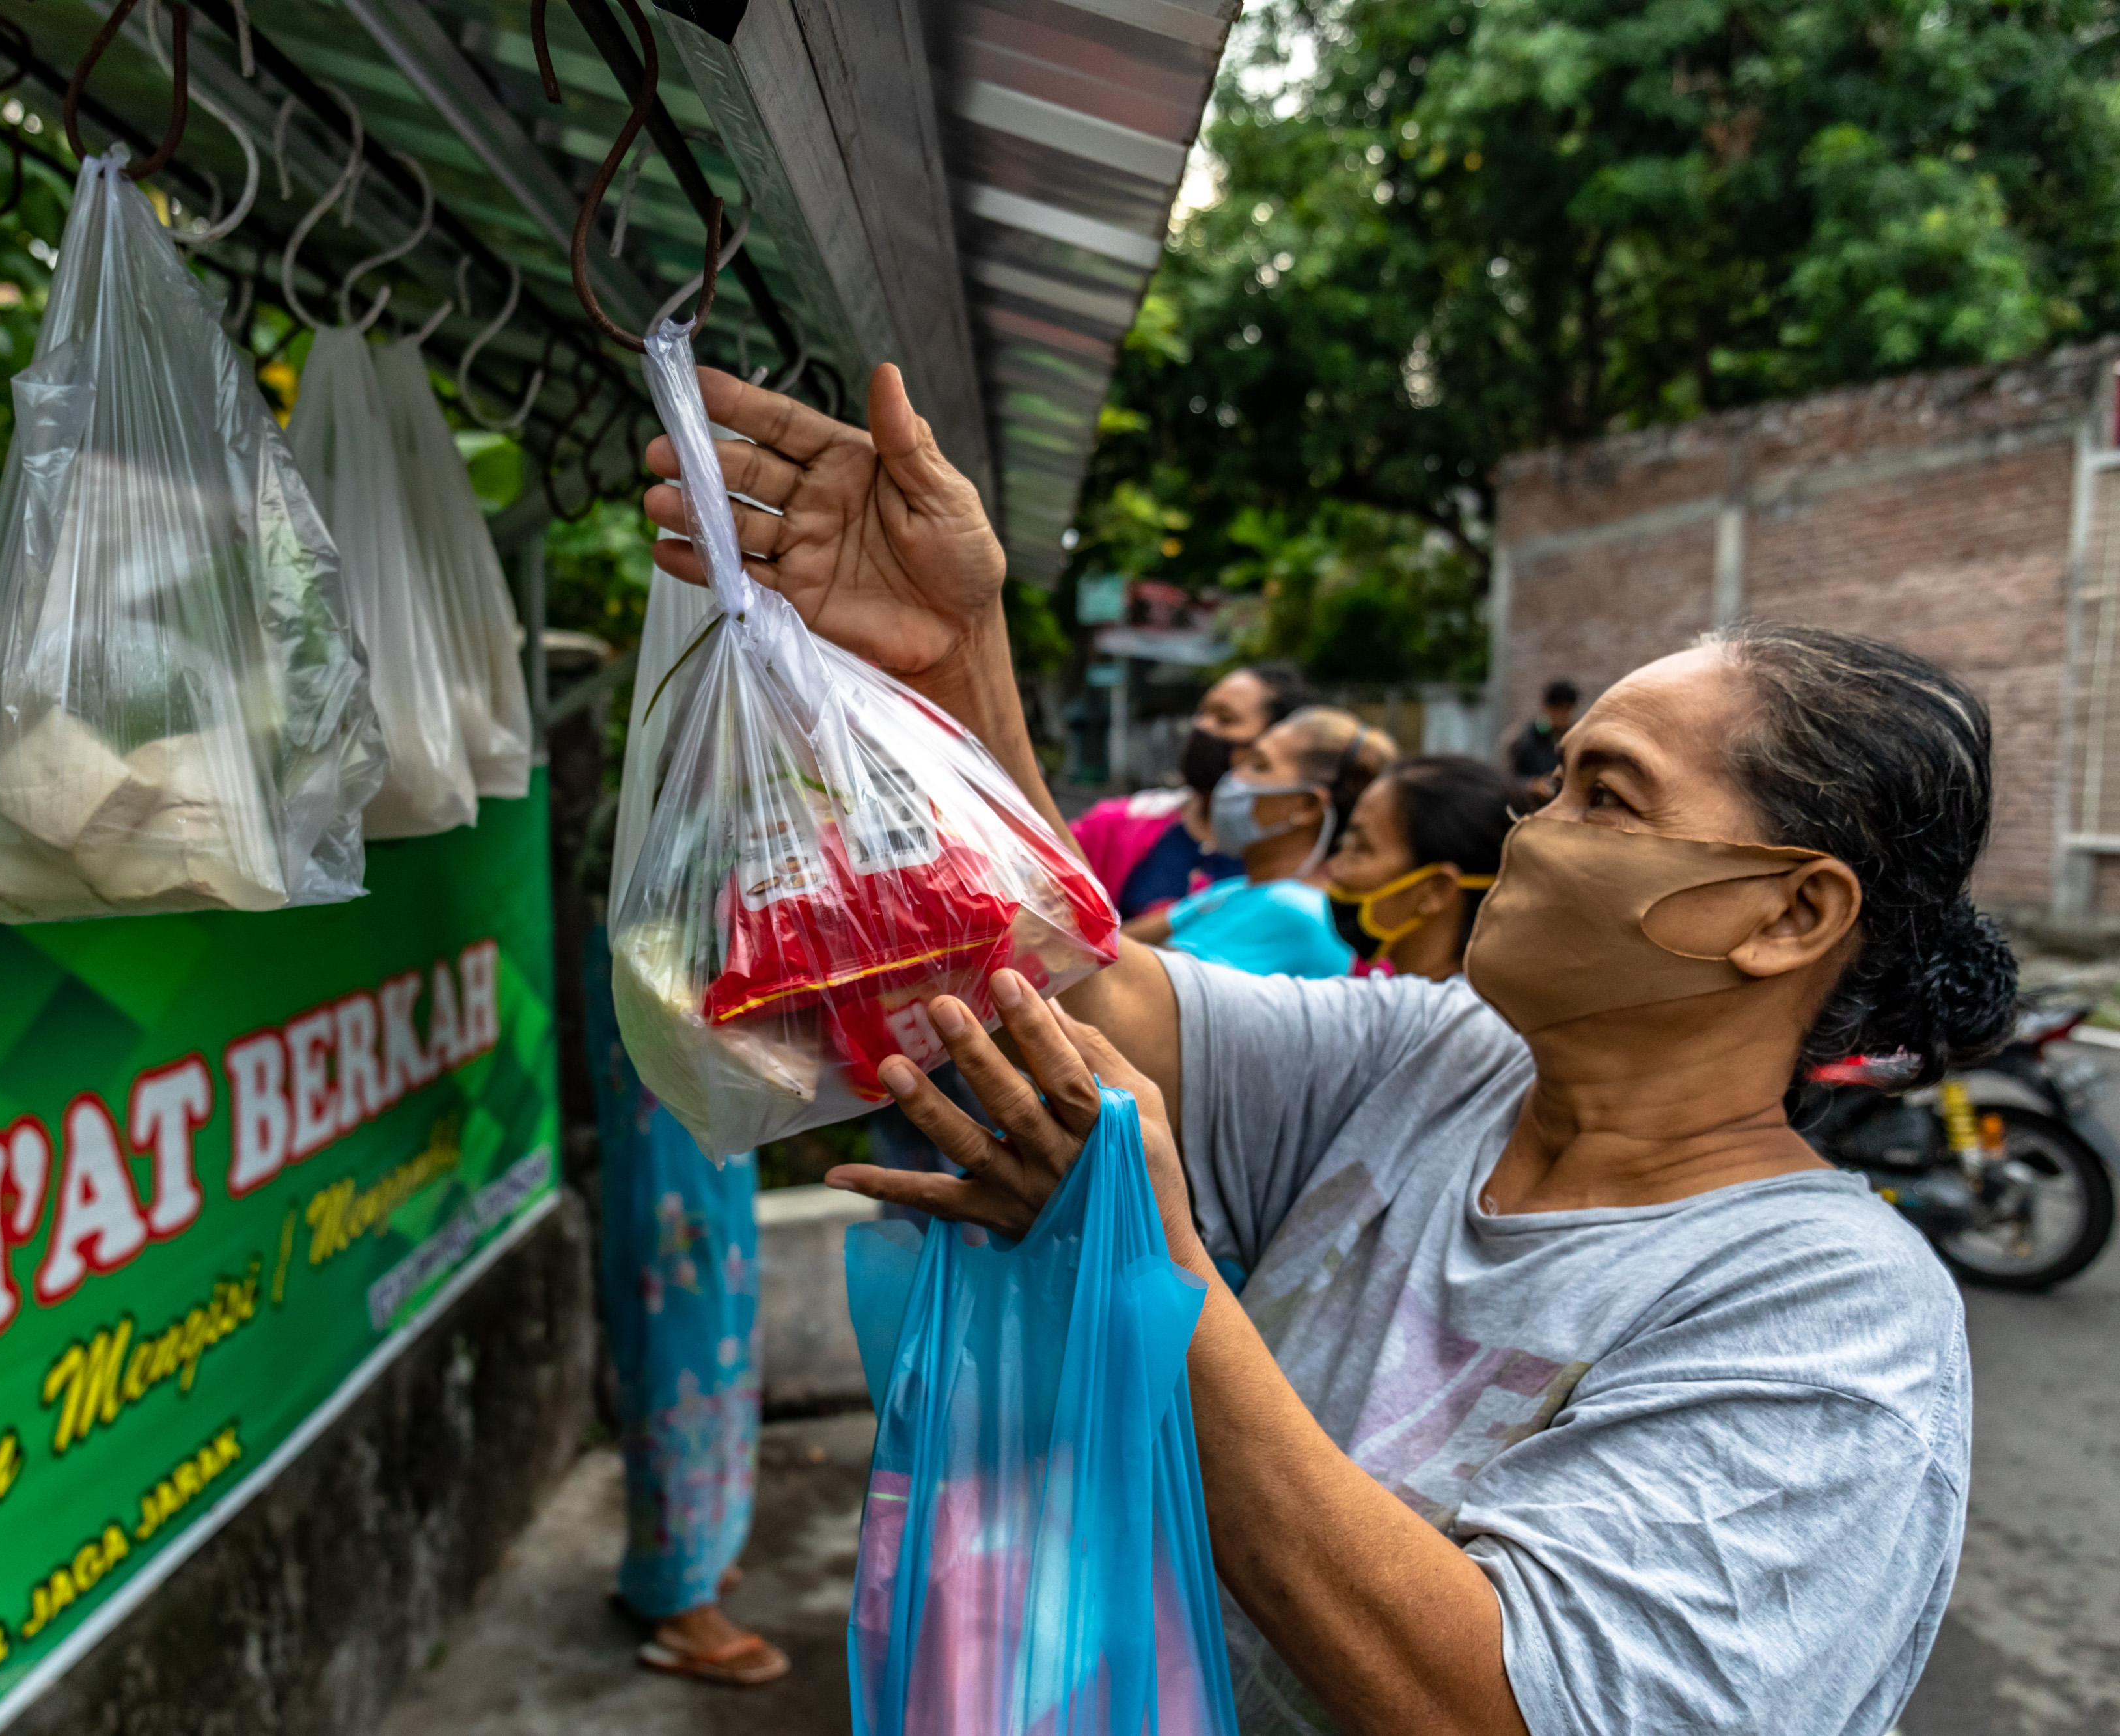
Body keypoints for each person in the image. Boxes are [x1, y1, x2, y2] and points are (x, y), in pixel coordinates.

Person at [640, 361, 2005, 1735]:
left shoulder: (1833, 1319)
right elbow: (1081, 986)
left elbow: (1513, 1713)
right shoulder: (1443, 1057)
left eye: (1607, 795)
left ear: (1788, 912)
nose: (1530, 823)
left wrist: (1140, 1271)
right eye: (1555, 778)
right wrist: (952, 652)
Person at [581, 932, 789, 1687]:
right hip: (664, 984)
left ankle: (687, 1547)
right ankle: (676, 1589)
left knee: (720, 1283)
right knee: (682, 1286)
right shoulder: (648, 856)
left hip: (704, 990)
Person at [1121, 706, 1392, 980]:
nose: (1235, 777)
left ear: (1307, 806)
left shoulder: (1294, 910)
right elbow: (1108, 945)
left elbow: (1132, 983)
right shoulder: (1237, 891)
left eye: (1259, 765)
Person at [1072, 664, 1310, 918]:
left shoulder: (1297, 869)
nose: (1202, 727)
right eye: (1202, 713)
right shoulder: (1116, 824)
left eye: (1225, 720)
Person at [1325, 755, 1515, 980]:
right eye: (1344, 844)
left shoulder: (1454, 1011)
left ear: (1437, 889)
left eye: (1360, 849)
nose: (1334, 868)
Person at [1501, 677, 1579, 805]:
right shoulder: (1523, 740)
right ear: (1546, 708)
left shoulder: (1574, 739)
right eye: (1557, 710)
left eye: (1567, 711)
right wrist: (1531, 785)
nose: (1562, 717)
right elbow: (1508, 780)